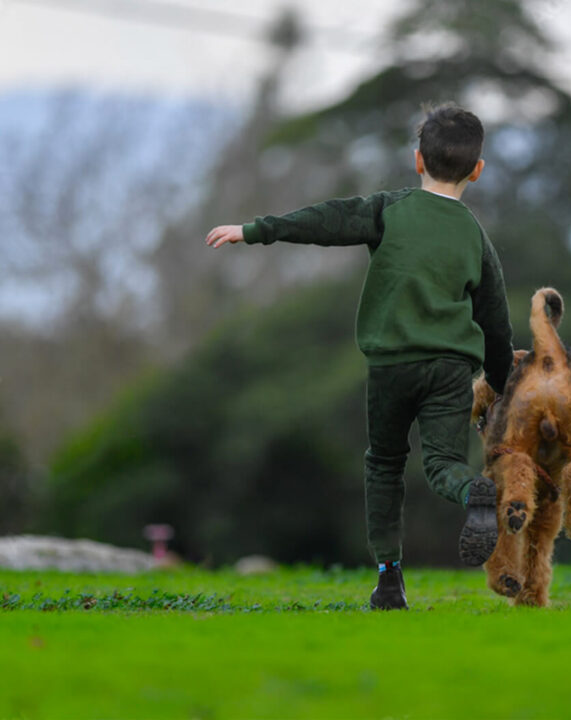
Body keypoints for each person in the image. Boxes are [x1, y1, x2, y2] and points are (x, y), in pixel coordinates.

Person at [206, 103, 514, 610]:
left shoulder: (389, 209)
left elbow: (327, 221)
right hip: (451, 370)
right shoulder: (476, 238)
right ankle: (471, 494)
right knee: (443, 464)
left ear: (418, 160)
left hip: (391, 365)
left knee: (385, 467)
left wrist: (257, 229)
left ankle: (389, 581)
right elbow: (497, 325)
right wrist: (505, 389)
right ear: (477, 171)